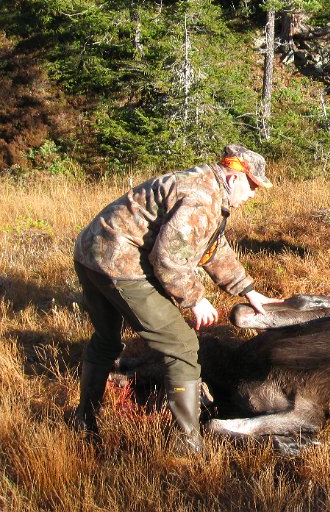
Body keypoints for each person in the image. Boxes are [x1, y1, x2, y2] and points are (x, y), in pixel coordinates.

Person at [72, 144, 283, 452]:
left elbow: (212, 246)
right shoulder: (201, 198)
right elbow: (168, 259)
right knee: (183, 347)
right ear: (235, 177)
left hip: (91, 252)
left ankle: (84, 420)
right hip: (120, 262)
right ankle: (186, 446)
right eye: (252, 186)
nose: (252, 194)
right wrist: (195, 299)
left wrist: (247, 289)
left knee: (106, 341)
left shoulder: (205, 185)